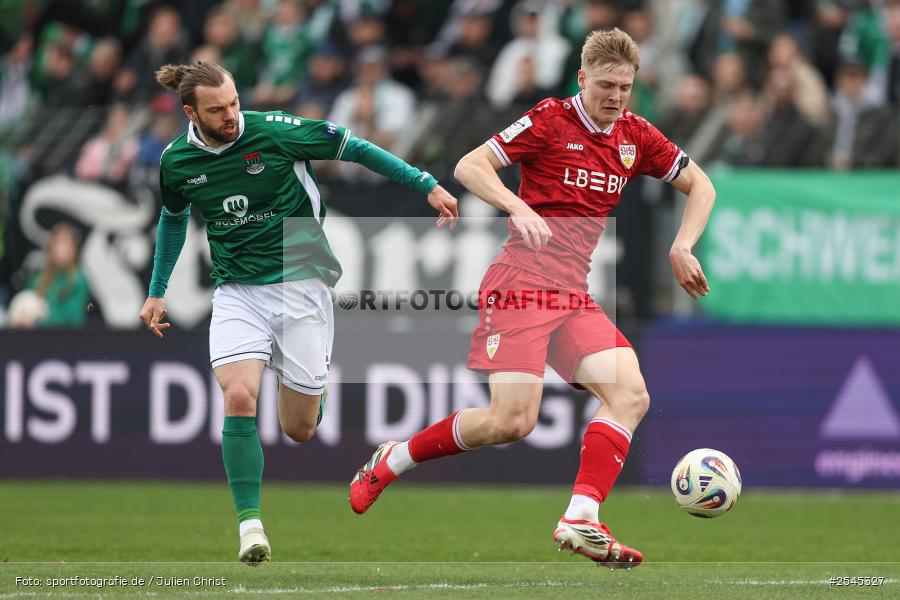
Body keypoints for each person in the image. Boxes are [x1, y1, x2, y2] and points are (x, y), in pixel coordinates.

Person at [348, 28, 716, 569]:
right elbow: (470, 165)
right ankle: (393, 458)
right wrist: (515, 206)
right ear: (582, 78)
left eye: (625, 86)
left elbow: (701, 184)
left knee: (631, 395)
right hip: (519, 283)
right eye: (606, 85)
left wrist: (682, 244)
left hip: (571, 293)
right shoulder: (549, 119)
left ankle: (580, 518)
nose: (615, 96)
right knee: (511, 422)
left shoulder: (636, 135)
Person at [138, 61, 458, 566]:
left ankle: (311, 392)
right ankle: (250, 526)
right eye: (218, 110)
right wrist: (157, 290)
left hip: (301, 275)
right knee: (240, 394)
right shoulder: (176, 162)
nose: (231, 116)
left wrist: (425, 184)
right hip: (237, 288)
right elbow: (173, 219)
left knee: (299, 428)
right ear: (191, 112)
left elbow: (355, 148)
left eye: (235, 103)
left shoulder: (275, 131)